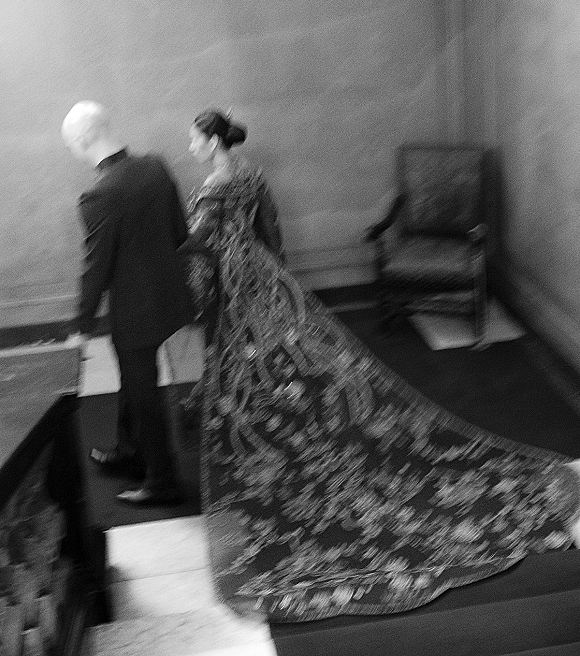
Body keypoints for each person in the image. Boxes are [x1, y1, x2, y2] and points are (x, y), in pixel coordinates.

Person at [181, 107, 580, 623]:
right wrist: (279, 278)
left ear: (213, 142)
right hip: (262, 274)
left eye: (193, 140)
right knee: (285, 360)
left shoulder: (210, 191)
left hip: (235, 286)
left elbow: (197, 254)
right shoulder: (251, 174)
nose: (190, 147)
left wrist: (197, 300)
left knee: (245, 362)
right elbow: (270, 230)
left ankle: (262, 430)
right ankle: (282, 420)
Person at [62, 101, 194, 506]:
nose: (73, 152)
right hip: (171, 294)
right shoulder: (155, 166)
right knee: (136, 383)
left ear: (83, 139)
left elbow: (95, 268)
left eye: (71, 145)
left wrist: (80, 325)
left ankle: (161, 481)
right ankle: (128, 451)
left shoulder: (99, 194)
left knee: (143, 392)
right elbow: (179, 230)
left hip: (136, 310)